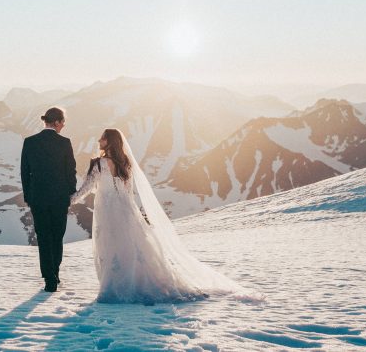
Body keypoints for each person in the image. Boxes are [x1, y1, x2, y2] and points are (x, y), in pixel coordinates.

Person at [71, 128, 259, 304]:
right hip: (126, 209)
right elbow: (128, 192)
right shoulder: (126, 163)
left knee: (110, 246)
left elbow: (86, 189)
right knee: (132, 247)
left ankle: (113, 288)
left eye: (102, 138)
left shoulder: (98, 164)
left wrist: (69, 200)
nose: (99, 140)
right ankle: (136, 282)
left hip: (107, 210)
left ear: (110, 142)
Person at [20, 106, 77, 292]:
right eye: (63, 123)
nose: (63, 127)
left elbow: (25, 173)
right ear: (58, 122)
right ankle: (55, 272)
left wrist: (29, 196)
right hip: (59, 198)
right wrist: (71, 192)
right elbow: (71, 172)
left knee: (43, 237)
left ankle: (49, 277)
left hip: (38, 198)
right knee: (57, 236)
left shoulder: (30, 142)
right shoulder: (65, 143)